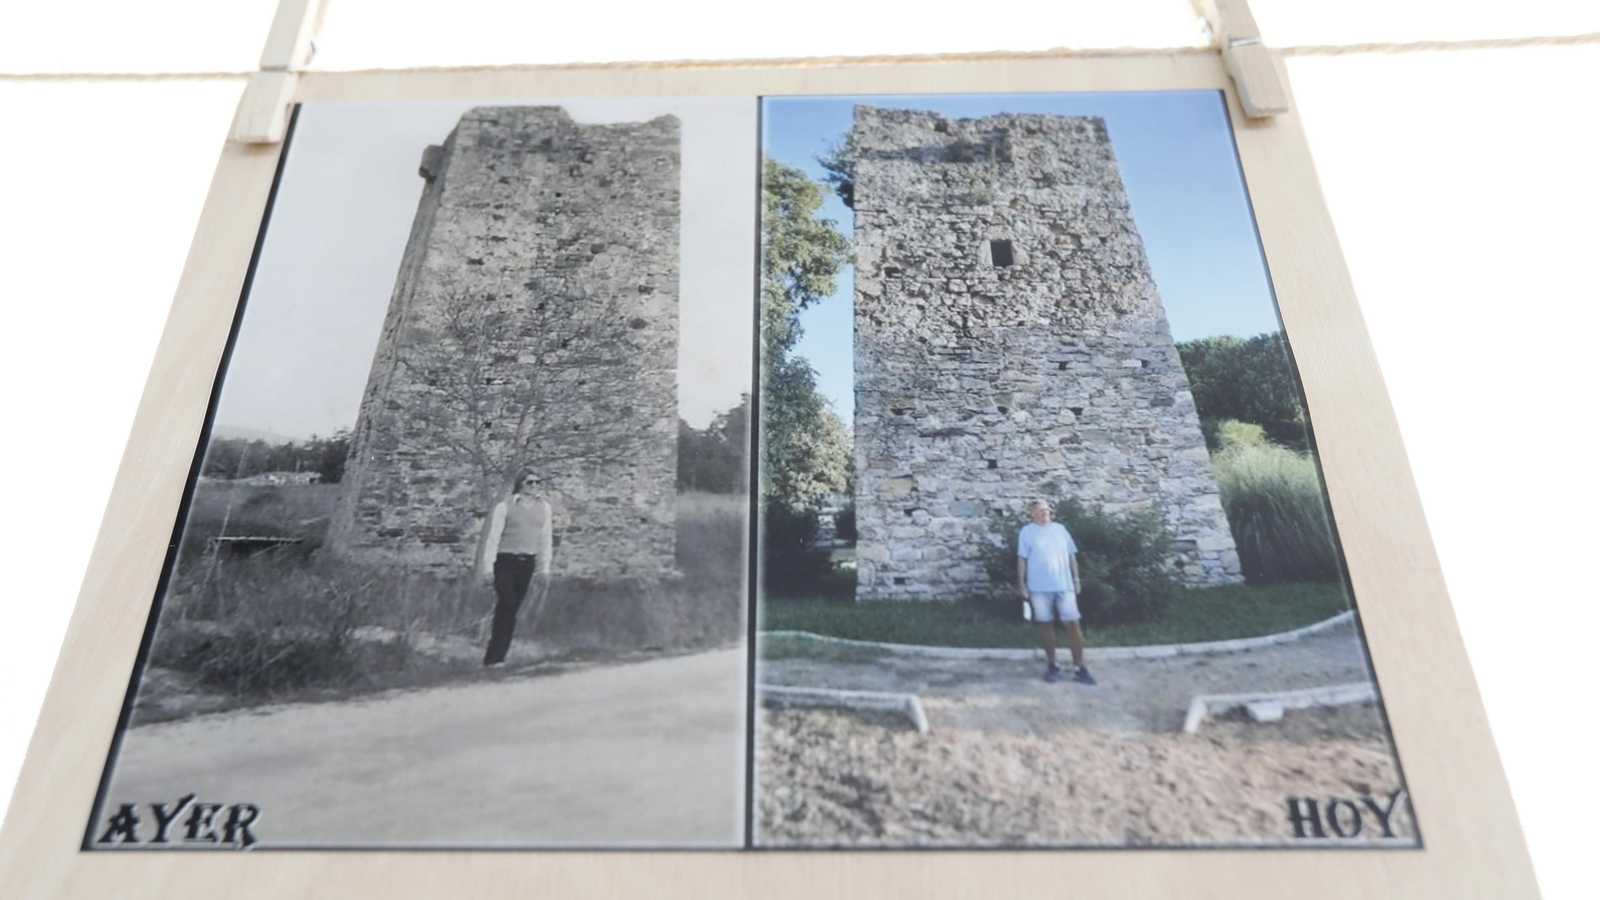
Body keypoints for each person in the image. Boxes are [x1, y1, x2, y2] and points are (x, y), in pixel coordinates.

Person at [477, 468, 554, 666]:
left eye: (538, 482)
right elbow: (493, 538)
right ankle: (493, 657)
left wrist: (544, 568)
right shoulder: (505, 507)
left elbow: (546, 539)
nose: (535, 486)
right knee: (507, 603)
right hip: (505, 560)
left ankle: (497, 658)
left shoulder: (544, 508)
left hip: (527, 562)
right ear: (520, 484)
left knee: (511, 610)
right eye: (530, 482)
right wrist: (487, 568)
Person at [1016, 499, 1096, 685]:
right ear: (1032, 514)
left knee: (1073, 625)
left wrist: (1076, 579)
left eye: (1046, 509)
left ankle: (1080, 667)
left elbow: (1071, 556)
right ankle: (1053, 665)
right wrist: (1022, 584)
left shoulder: (1061, 530)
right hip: (1038, 588)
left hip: (1064, 586)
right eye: (1039, 510)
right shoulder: (1027, 532)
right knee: (1045, 626)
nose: (1044, 512)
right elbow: (1022, 559)